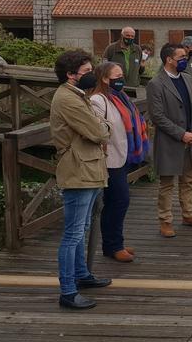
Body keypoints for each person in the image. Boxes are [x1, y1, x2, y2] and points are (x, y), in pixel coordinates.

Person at [50, 50, 112, 309]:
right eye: (86, 72)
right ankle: (67, 290)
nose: (91, 76)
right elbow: (99, 130)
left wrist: (101, 127)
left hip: (88, 169)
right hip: (78, 171)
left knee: (83, 227)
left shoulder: (78, 95)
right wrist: (104, 127)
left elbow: (97, 128)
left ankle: (81, 275)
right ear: (70, 75)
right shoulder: (68, 99)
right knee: (73, 234)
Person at [89, 62, 149, 263]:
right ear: (105, 79)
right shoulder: (98, 100)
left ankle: (113, 243)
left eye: (122, 75)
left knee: (117, 201)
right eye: (117, 75)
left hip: (123, 155)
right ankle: (113, 245)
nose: (121, 79)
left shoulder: (121, 97)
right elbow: (100, 129)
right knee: (118, 200)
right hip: (109, 159)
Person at [146, 43, 192, 237]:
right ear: (169, 59)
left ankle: (189, 214)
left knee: (188, 181)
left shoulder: (188, 79)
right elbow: (157, 116)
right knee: (166, 184)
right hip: (170, 141)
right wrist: (181, 134)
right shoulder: (156, 83)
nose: (185, 60)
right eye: (181, 57)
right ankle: (165, 220)